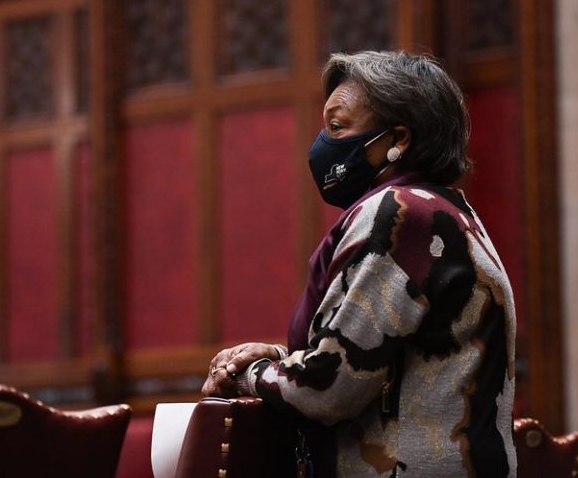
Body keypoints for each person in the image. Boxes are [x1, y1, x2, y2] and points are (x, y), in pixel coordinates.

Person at [202, 50, 517, 477]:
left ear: (398, 139)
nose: (323, 144)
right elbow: (386, 356)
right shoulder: (448, 212)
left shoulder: (400, 213)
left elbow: (328, 390)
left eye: (338, 126)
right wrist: (281, 355)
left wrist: (248, 374)